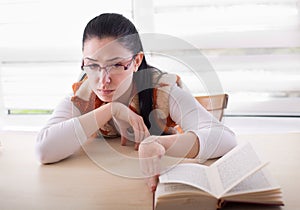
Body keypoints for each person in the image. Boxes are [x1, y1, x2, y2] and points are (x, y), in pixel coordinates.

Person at [35, 13, 237, 191]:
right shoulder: (84, 93)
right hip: (104, 187)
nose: (103, 80)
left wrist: (159, 143)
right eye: (93, 65)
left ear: (137, 61)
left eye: (116, 65)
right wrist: (112, 109)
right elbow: (44, 150)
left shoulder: (162, 91)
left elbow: (225, 138)